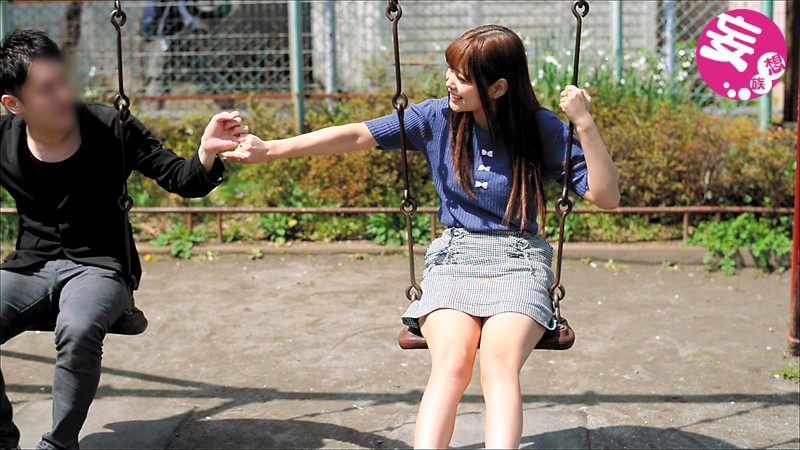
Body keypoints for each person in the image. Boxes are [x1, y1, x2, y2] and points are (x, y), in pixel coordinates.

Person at [224, 25, 620, 448]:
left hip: (519, 261)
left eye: (463, 77)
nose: (450, 82)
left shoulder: (539, 128)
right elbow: (358, 134)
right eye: (450, 70)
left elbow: (606, 196)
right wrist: (272, 149)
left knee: (497, 367)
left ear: (499, 87)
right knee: (451, 365)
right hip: (456, 257)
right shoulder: (436, 118)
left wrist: (584, 124)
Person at [0, 30, 246, 450]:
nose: (64, 95)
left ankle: (58, 444)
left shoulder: (109, 126)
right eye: (47, 89)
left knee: (77, 328)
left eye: (63, 81)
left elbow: (180, 178)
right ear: (14, 103)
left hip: (100, 267)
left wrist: (206, 152)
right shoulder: (4, 140)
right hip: (32, 265)